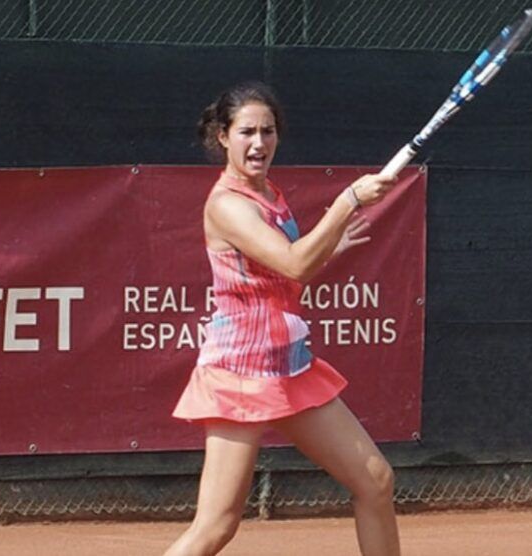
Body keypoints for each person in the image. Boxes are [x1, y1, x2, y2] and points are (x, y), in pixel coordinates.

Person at [164, 82, 400, 556]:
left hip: (289, 365)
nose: (259, 143)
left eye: (268, 131)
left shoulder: (271, 193)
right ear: (222, 137)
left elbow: (285, 280)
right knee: (217, 527)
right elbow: (293, 263)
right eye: (247, 131)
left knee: (375, 480)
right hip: (239, 374)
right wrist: (348, 200)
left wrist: (329, 246)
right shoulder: (228, 204)